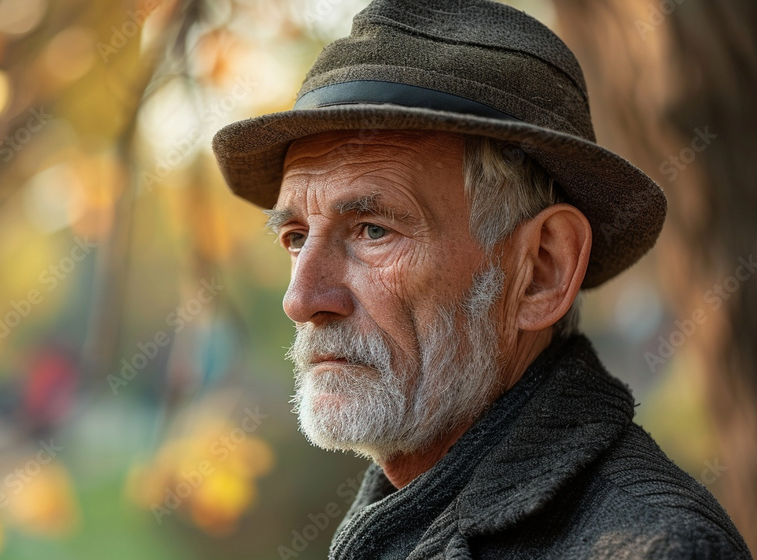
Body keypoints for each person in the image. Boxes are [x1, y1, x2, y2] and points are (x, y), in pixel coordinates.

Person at [211, 0, 753, 558]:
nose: (301, 299)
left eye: (373, 230)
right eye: (296, 237)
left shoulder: (655, 549)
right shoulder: (411, 509)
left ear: (542, 270)